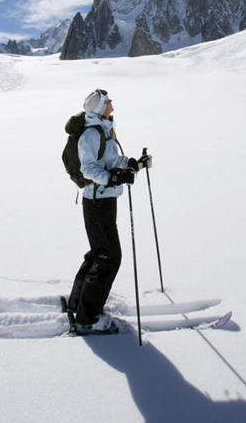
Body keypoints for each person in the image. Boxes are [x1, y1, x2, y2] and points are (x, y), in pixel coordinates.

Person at [67, 88, 149, 335]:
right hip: (97, 202)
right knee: (109, 258)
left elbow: (110, 160)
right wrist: (113, 180)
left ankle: (77, 304)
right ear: (100, 106)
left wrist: (132, 164)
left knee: (98, 253)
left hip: (103, 200)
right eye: (108, 101)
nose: (112, 104)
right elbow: (88, 169)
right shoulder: (92, 133)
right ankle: (87, 318)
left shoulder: (103, 128)